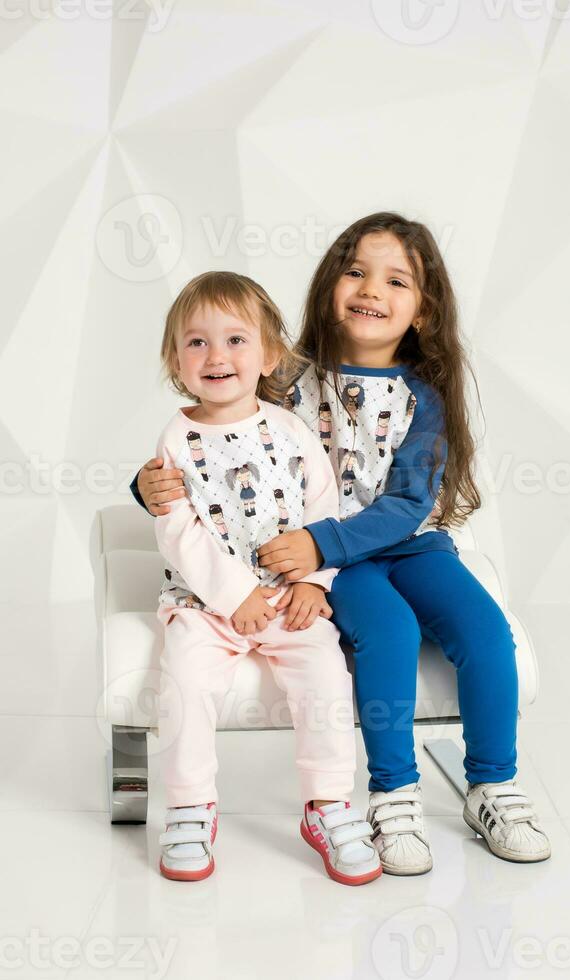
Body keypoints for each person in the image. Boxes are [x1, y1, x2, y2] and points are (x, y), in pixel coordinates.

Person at [132, 214, 551, 875]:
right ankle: (393, 795)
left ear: (424, 306)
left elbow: (410, 504)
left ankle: (493, 784)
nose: (370, 288)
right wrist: (148, 484)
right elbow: (219, 433)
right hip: (332, 565)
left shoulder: (425, 398)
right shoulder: (287, 375)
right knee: (387, 635)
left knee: (487, 632)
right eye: (355, 270)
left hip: (396, 545)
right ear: (331, 282)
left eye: (396, 279)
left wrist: (317, 544)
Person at [151, 270, 381, 885]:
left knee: (326, 677)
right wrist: (232, 595)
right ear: (176, 360)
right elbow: (177, 527)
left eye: (234, 340)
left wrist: (314, 583)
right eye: (196, 342)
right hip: (206, 603)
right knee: (185, 680)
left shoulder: (289, 431)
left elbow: (321, 507)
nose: (216, 356)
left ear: (268, 354)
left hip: (286, 599)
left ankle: (329, 804)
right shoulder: (177, 439)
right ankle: (189, 805)